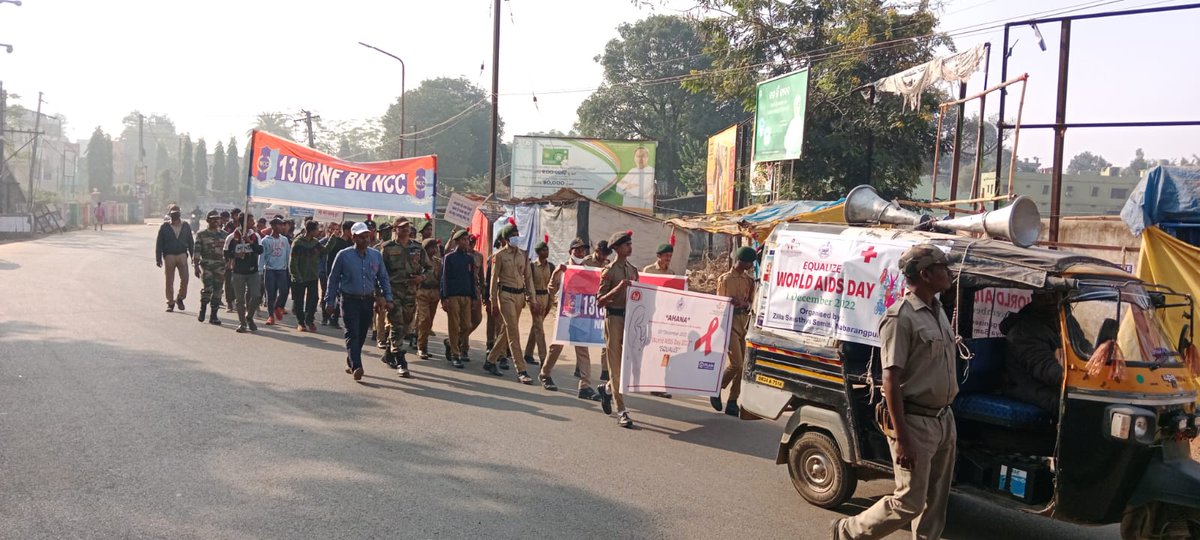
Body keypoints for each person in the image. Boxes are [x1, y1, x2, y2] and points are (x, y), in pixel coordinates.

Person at [834, 243, 958, 540]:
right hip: (915, 422)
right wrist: (902, 437)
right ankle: (849, 531)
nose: (949, 273)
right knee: (909, 501)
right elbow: (890, 377)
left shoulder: (938, 311)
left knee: (935, 501)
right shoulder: (901, 317)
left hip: (943, 419)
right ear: (926, 274)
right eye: (943, 268)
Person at [325, 222, 394, 381]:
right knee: (352, 333)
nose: (366, 240)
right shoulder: (343, 255)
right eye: (361, 237)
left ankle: (351, 359)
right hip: (349, 300)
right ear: (354, 237)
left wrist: (388, 297)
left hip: (367, 300)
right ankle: (357, 366)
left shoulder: (375, 255)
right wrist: (330, 301)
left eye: (367, 236)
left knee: (362, 333)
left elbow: (383, 278)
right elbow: (333, 279)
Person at [539, 237, 603, 400]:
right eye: (577, 250)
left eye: (582, 250)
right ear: (570, 252)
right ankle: (545, 373)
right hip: (564, 314)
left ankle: (585, 386)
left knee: (583, 348)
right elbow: (551, 290)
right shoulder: (564, 269)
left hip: (581, 316)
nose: (580, 253)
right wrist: (557, 273)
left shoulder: (587, 270)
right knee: (557, 346)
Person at [484, 224, 539, 384]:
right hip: (505, 295)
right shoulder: (499, 255)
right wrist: (493, 301)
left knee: (507, 331)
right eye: (513, 235)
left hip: (519, 296)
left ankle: (490, 360)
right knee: (514, 331)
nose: (516, 237)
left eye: (517, 234)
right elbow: (494, 280)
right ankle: (521, 370)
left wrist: (532, 299)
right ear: (506, 238)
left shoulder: (523, 255)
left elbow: (528, 278)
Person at [596, 230, 638, 428]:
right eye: (626, 244)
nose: (629, 247)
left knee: (626, 366)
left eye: (630, 244)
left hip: (630, 320)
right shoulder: (609, 271)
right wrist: (618, 288)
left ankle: (606, 390)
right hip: (613, 318)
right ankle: (621, 410)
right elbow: (599, 301)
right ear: (617, 249)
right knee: (615, 365)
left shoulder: (633, 270)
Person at [710, 246, 757, 416]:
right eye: (749, 262)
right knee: (736, 363)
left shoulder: (749, 281)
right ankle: (716, 388)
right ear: (742, 261)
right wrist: (729, 302)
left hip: (743, 323)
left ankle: (732, 401)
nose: (751, 265)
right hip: (728, 323)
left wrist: (745, 304)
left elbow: (752, 303)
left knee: (743, 366)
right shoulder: (725, 279)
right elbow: (718, 304)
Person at [1001, 292, 1064, 415]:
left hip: (1048, 386)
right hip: (1029, 387)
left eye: (1054, 294)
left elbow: (1083, 349)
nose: (1050, 300)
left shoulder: (1061, 322)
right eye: (1043, 295)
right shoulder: (1023, 331)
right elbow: (1048, 371)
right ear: (1034, 297)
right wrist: (1079, 376)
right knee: (1073, 405)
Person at [380, 218, 429, 377]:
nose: (406, 229)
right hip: (393, 292)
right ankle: (401, 360)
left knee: (407, 324)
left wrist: (421, 278)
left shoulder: (417, 247)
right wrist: (380, 294)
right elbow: (381, 272)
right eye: (402, 227)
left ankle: (389, 352)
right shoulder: (387, 248)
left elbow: (429, 267)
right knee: (397, 324)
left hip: (411, 292)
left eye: (407, 227)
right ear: (395, 229)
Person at [640, 242, 678, 399]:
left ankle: (659, 385)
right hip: (651, 317)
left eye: (670, 256)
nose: (668, 258)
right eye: (666, 256)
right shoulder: (648, 271)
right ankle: (648, 381)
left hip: (665, 319)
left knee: (664, 353)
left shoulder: (672, 273)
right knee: (650, 352)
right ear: (659, 256)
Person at [440, 230, 477, 369]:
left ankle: (450, 343)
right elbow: (444, 279)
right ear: (456, 241)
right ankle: (456, 355)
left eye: (467, 239)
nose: (466, 242)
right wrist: (444, 297)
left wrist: (474, 296)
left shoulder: (469, 258)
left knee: (467, 325)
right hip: (453, 296)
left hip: (467, 296)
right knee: (454, 326)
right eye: (463, 240)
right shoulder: (449, 257)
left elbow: (472, 278)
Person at [224, 214, 264, 333]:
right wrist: (235, 255)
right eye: (251, 220)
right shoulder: (232, 237)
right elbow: (226, 253)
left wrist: (250, 242)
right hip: (238, 272)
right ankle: (242, 323)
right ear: (244, 222)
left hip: (253, 272)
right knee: (239, 300)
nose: (253, 222)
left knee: (256, 296)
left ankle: (249, 317)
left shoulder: (255, 236)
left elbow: (260, 250)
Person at [155, 204, 194, 312]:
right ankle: (170, 302)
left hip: (182, 254)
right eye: (173, 213)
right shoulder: (164, 227)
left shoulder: (186, 226)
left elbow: (191, 242)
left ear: (180, 214)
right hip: (169, 255)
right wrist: (158, 258)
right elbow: (159, 243)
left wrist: (193, 256)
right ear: (170, 215)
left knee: (185, 278)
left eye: (177, 213)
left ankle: (180, 297)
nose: (175, 215)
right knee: (169, 280)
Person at [584, 240, 613, 382]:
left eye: (606, 254)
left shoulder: (608, 264)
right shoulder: (586, 262)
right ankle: (580, 366)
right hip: (587, 302)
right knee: (584, 335)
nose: (603, 257)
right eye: (602, 253)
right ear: (597, 250)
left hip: (601, 303)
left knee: (604, 336)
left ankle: (605, 370)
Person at [193, 210, 227, 325]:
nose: (216, 221)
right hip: (206, 265)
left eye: (217, 219)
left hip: (220, 266)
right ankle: (203, 309)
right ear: (208, 220)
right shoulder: (201, 234)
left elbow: (228, 251)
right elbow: (197, 250)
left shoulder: (224, 234)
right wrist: (196, 266)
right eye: (213, 218)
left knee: (218, 290)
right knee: (208, 288)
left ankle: (214, 315)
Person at [523, 239, 554, 368]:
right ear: (538, 252)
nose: (546, 252)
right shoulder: (532, 266)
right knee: (539, 328)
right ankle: (543, 358)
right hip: (535, 297)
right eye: (543, 250)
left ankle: (528, 354)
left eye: (547, 249)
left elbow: (553, 283)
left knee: (536, 325)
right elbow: (528, 283)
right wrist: (531, 299)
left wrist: (551, 300)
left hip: (546, 297)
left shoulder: (551, 266)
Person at [290, 220, 324, 332]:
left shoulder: (315, 242)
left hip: (313, 276)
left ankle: (309, 319)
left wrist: (333, 239)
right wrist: (296, 275)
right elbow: (293, 261)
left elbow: (324, 251)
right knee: (299, 301)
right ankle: (301, 322)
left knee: (314, 299)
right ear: (312, 230)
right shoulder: (298, 242)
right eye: (317, 229)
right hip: (300, 277)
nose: (319, 231)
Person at [414, 237, 442, 360]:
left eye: (435, 247)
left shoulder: (438, 262)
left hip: (434, 292)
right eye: (431, 247)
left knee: (429, 322)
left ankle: (422, 342)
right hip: (422, 292)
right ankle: (421, 347)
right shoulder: (419, 261)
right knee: (424, 319)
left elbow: (441, 277)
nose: (433, 250)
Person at [260, 217, 292, 325]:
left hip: (282, 270)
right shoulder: (265, 241)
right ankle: (270, 316)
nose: (282, 227)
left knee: (284, 291)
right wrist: (260, 270)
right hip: (269, 270)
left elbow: (288, 254)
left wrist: (289, 268)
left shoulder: (284, 240)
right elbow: (262, 256)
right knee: (270, 294)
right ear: (273, 226)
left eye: (282, 225)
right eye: (279, 225)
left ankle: (277, 307)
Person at [222, 209, 242, 313]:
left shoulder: (245, 226)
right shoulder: (229, 226)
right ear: (233, 216)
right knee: (229, 280)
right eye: (236, 215)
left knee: (238, 281)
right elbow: (225, 242)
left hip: (241, 257)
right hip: (230, 256)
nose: (237, 216)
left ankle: (236, 300)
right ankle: (229, 302)